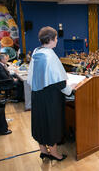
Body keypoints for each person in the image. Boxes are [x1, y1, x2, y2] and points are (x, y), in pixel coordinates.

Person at [27, 26, 74, 162]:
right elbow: (59, 82)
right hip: (50, 97)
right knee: (51, 123)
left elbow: (32, 77)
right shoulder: (50, 56)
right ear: (52, 39)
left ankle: (43, 151)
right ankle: (53, 153)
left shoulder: (36, 52)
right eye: (56, 38)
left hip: (37, 94)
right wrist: (70, 90)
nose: (57, 40)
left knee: (40, 122)